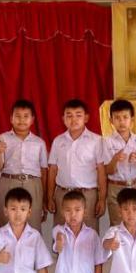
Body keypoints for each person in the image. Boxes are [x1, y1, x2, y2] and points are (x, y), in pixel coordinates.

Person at [47, 99, 106, 230]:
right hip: (62, 194)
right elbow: (52, 170)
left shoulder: (97, 141)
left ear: (86, 118)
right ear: (63, 119)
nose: (73, 119)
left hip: (88, 196)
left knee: (89, 235)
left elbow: (101, 171)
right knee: (61, 235)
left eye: (78, 115)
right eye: (69, 115)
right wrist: (49, 197)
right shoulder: (58, 141)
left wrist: (102, 199)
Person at [0, 99, 49, 231]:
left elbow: (44, 171)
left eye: (26, 116)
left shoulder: (39, 142)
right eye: (17, 116)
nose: (21, 120)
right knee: (6, 224)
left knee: (32, 225)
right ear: (11, 118)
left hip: (32, 184)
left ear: (32, 119)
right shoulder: (2, 138)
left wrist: (44, 198)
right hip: (8, 182)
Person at [100, 99, 136, 226]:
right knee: (117, 225)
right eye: (117, 118)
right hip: (116, 188)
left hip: (135, 186)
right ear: (111, 121)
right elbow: (107, 171)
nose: (121, 122)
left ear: (132, 119)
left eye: (125, 117)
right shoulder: (107, 142)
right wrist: (115, 159)